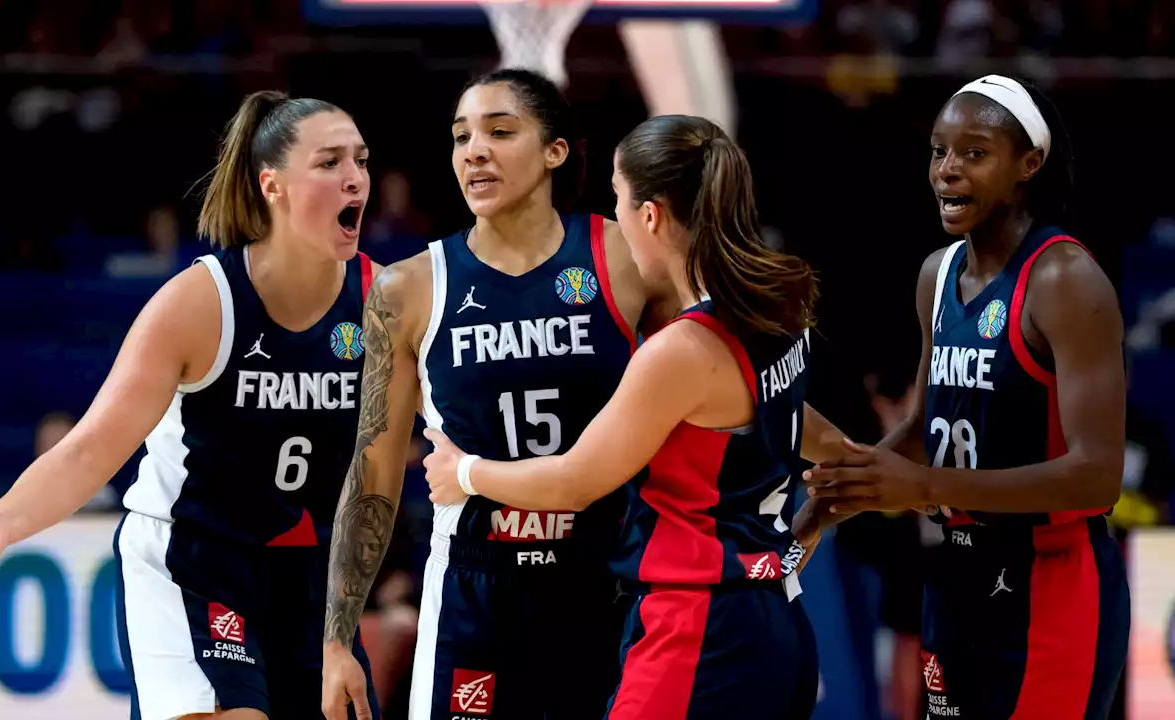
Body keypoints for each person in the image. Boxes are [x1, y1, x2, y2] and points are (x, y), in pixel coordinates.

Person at [0, 90, 382, 720]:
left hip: (312, 575)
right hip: (193, 560)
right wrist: (2, 521)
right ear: (272, 185)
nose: (354, 177)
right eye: (330, 162)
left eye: (360, 160)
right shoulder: (200, 303)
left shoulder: (386, 301)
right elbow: (93, 445)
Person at [420, 114, 851, 719]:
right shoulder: (770, 321)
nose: (614, 221)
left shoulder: (682, 350)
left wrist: (465, 472)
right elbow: (823, 439)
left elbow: (575, 480)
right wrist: (828, 503)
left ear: (650, 215)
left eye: (618, 203)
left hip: (697, 629)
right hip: (777, 622)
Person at [321, 69, 682, 720]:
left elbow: (707, 381)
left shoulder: (624, 256)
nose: (474, 150)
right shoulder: (408, 288)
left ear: (556, 151)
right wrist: (336, 637)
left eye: (499, 131)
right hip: (474, 586)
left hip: (609, 580)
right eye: (461, 137)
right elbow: (373, 473)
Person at [805, 75, 1129, 719]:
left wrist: (924, 487)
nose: (948, 171)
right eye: (938, 152)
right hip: (955, 579)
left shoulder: (1065, 278)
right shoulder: (937, 273)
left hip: (1050, 584)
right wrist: (847, 487)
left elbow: (1097, 479)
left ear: (1027, 165)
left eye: (975, 153)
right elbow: (930, 423)